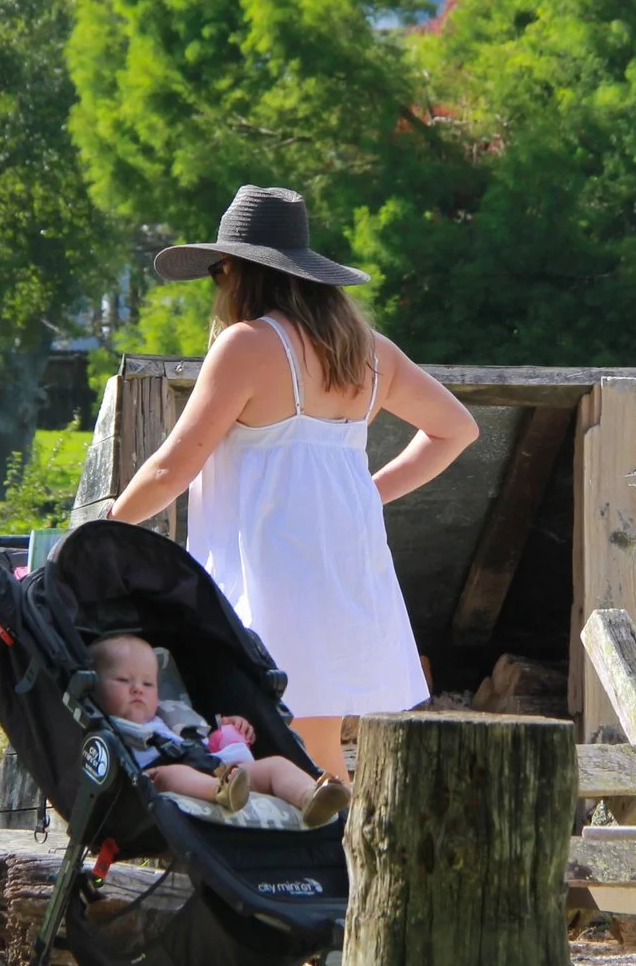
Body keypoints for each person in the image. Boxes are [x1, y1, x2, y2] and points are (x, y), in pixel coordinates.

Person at [108, 185, 477, 781]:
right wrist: (368, 497)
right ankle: (352, 866)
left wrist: (102, 533)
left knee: (271, 748)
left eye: (217, 274)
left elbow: (173, 467)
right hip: (346, 568)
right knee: (312, 751)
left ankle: (343, 869)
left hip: (273, 571)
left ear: (235, 271)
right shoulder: (369, 352)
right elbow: (456, 429)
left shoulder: (247, 345)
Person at [88, 635, 352, 825]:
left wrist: (230, 727)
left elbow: (202, 739)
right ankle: (220, 791)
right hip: (158, 775)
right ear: (95, 688)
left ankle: (311, 797)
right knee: (169, 775)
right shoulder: (107, 726)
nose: (137, 689)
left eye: (147, 684)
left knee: (275, 765)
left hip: (217, 766)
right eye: (123, 681)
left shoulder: (168, 717)